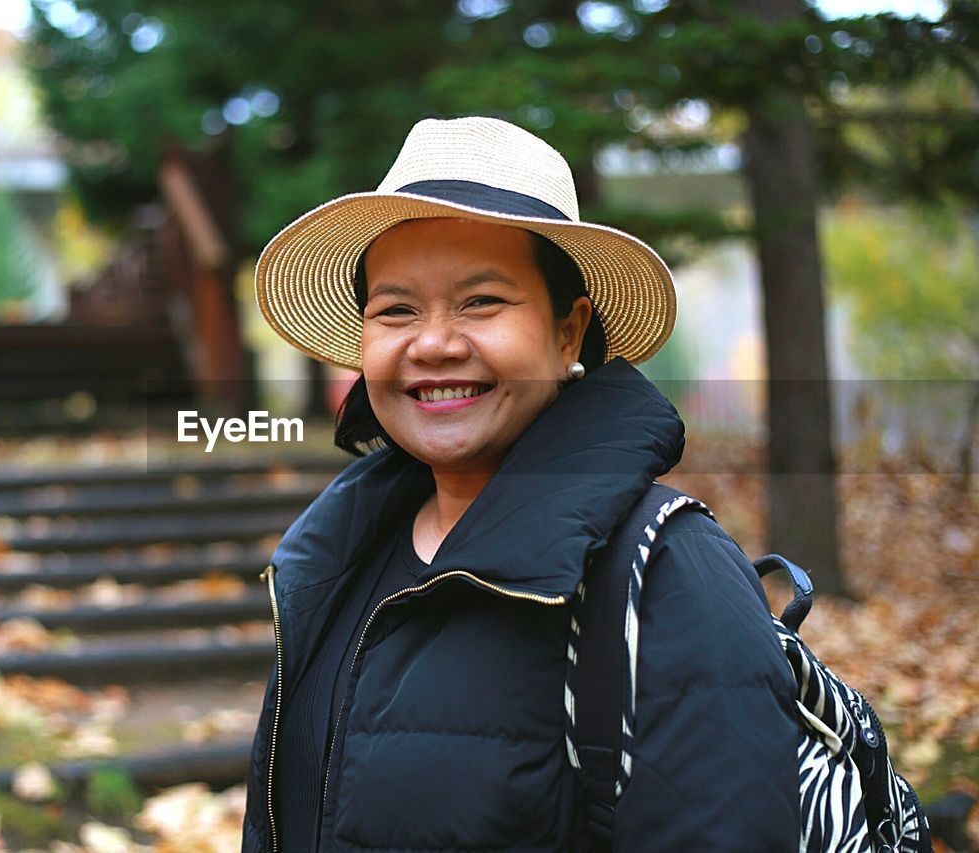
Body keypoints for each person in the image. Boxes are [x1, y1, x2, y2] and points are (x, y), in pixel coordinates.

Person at [241, 116, 799, 852]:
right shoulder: (332, 561)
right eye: (397, 310)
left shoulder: (671, 572)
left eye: (481, 302)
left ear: (569, 333)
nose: (435, 343)